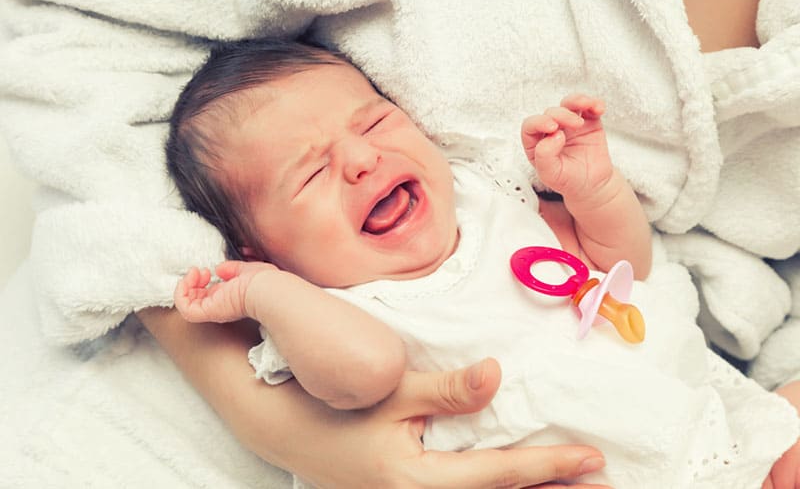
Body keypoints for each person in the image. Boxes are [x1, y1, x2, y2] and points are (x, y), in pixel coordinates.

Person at [167, 38, 799, 488]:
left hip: (703, 423)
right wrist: (265, 293)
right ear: (259, 250)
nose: (361, 160)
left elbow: (625, 266)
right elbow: (367, 373)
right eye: (308, 175)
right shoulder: (324, 311)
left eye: (377, 122)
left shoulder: (490, 194)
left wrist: (594, 191)